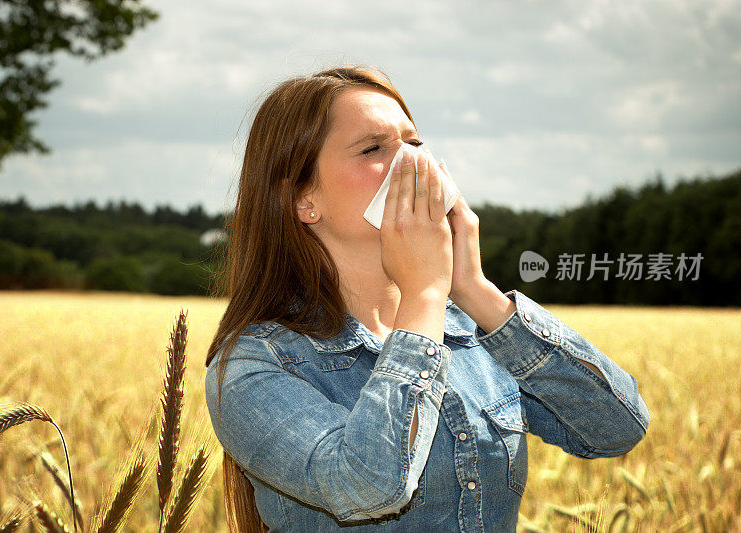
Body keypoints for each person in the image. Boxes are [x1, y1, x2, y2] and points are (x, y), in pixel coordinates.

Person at [204, 64, 650, 533]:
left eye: (414, 144)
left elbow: (615, 427)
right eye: (373, 148)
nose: (414, 163)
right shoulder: (253, 365)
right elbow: (367, 486)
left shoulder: (474, 332)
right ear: (302, 199)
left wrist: (473, 290)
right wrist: (423, 293)